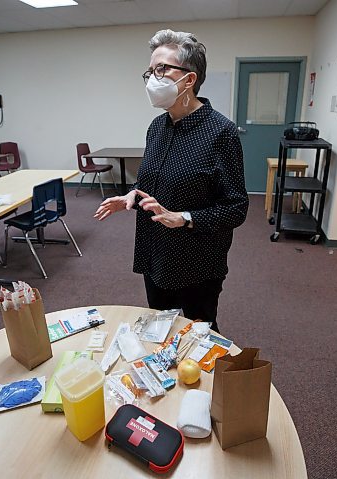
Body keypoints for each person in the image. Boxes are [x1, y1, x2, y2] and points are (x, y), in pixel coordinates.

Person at [94, 29, 249, 333]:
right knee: (160, 329)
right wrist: (132, 197)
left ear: (189, 80)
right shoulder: (157, 127)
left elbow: (236, 208)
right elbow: (154, 183)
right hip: (155, 253)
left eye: (162, 69)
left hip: (197, 260)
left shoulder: (221, 133)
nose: (153, 78)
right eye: (150, 71)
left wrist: (183, 218)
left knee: (198, 335)